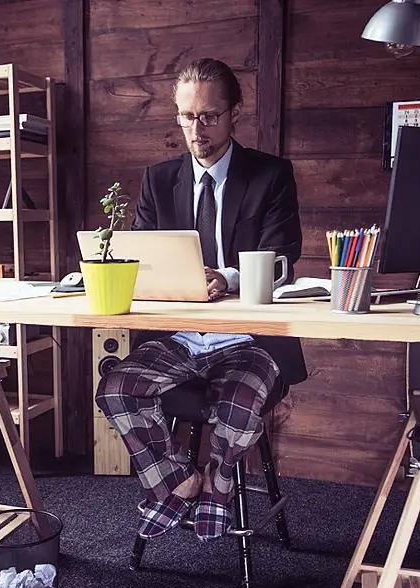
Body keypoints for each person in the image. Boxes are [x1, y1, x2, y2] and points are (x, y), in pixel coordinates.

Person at [95, 58, 307, 542]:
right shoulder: (158, 179)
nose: (198, 128)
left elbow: (283, 257)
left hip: (251, 340)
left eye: (210, 116)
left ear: (235, 112)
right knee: (115, 389)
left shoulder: (270, 175)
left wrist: (227, 278)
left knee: (239, 401)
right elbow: (139, 256)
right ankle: (181, 481)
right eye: (187, 117)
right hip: (182, 338)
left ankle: (217, 483)